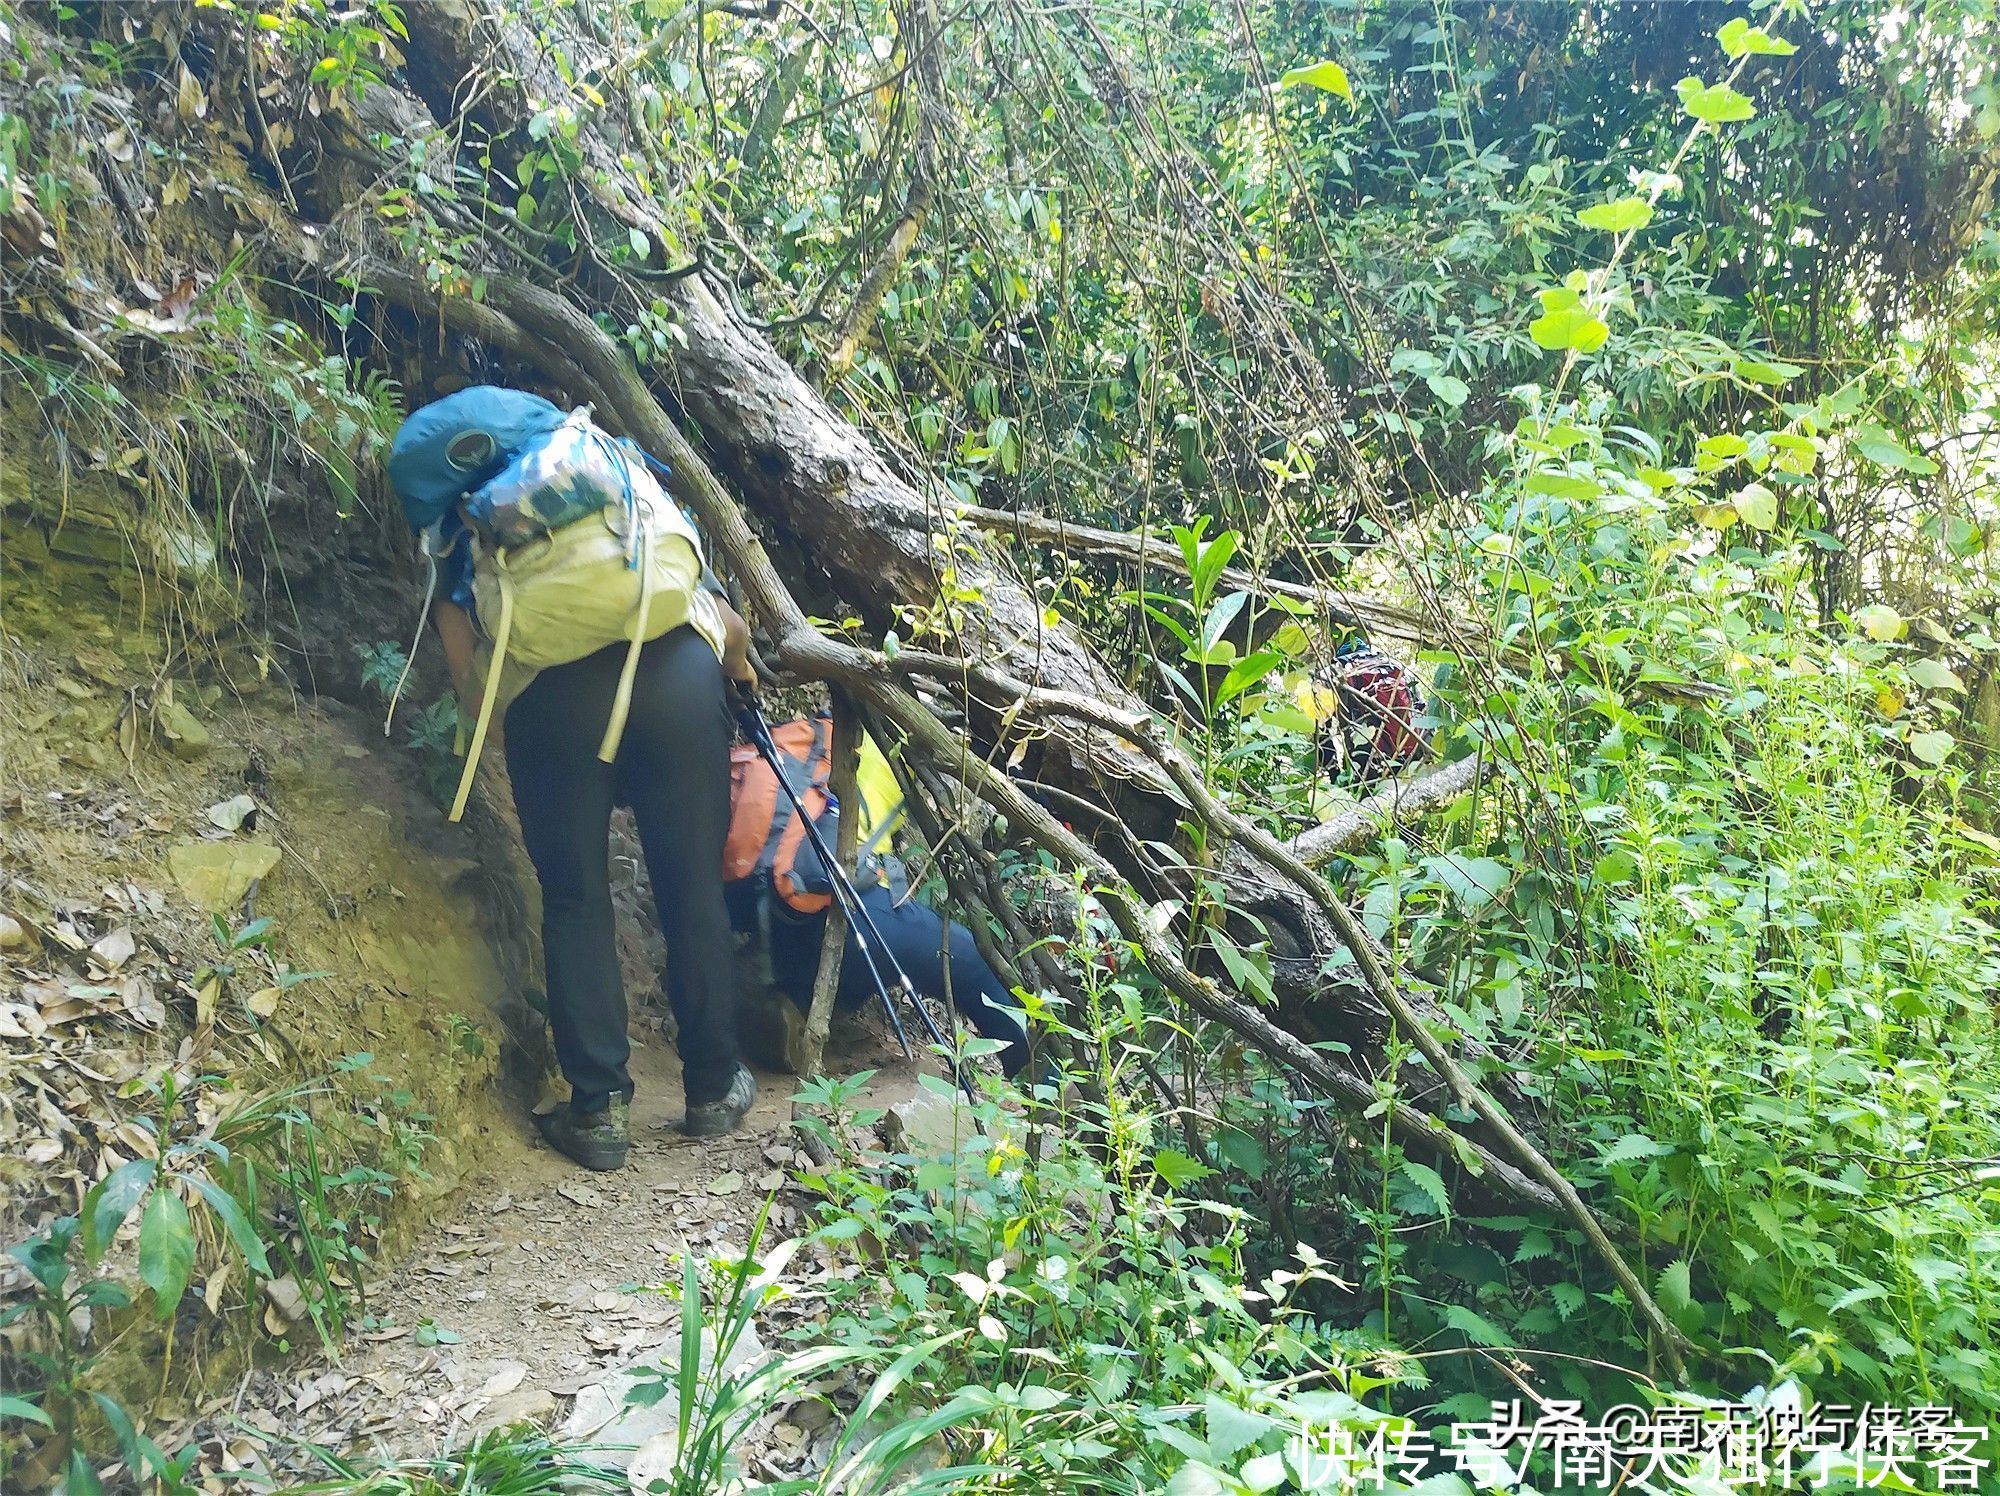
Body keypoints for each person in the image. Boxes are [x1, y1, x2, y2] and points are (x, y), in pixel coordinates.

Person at [386, 388, 758, 1172]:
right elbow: (728, 623)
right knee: (690, 887)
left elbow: (475, 695)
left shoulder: (461, 535)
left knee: (575, 896)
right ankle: (714, 1089)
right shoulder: (609, 472)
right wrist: (736, 672)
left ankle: (599, 1112)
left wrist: (519, 727)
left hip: (549, 699)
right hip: (680, 674)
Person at [723, 717, 1035, 1080]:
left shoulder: (808, 737)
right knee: (965, 955)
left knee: (838, 933)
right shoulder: (899, 736)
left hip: (747, 896)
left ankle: (794, 999)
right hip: (834, 893)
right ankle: (1041, 1080)